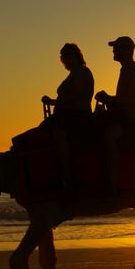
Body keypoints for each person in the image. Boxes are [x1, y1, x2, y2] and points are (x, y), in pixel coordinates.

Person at [95, 36, 135, 193]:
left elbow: (129, 101)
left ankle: (112, 182)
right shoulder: (128, 69)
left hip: (132, 120)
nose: (114, 50)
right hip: (126, 117)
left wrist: (107, 98)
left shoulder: (133, 70)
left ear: (128, 50)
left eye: (117, 48)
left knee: (109, 138)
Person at [42, 43, 94, 184]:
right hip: (66, 116)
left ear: (77, 56)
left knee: (58, 134)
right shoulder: (72, 74)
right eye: (64, 56)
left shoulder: (83, 72)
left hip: (77, 116)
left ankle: (68, 172)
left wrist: (53, 102)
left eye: (69, 55)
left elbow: (75, 95)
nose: (66, 59)